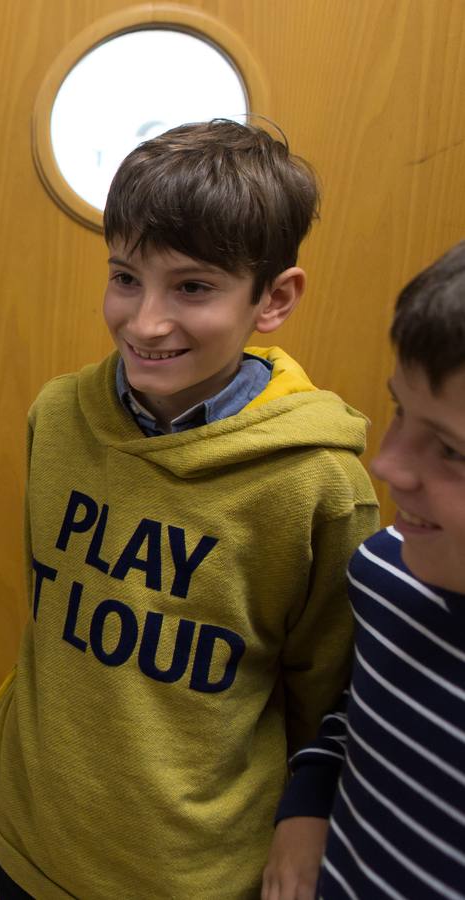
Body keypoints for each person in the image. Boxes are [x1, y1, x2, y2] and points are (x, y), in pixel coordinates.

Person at [0, 119, 381, 898]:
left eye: (191, 287)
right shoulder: (57, 417)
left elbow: (334, 695)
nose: (145, 321)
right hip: (27, 838)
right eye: (125, 277)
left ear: (274, 298)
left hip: (193, 875)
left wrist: (307, 815)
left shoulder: (317, 485)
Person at [263, 239, 465, 899]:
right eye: (400, 410)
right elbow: (361, 710)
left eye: (451, 451)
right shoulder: (386, 570)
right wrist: (306, 804)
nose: (386, 464)